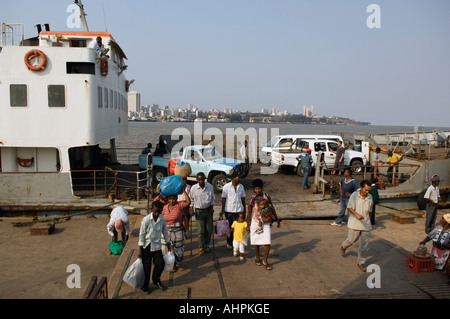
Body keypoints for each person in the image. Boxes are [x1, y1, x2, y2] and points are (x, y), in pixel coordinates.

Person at [246, 179, 281, 270]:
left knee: (267, 241)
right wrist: (247, 225)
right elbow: (249, 213)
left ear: (262, 188)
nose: (258, 191)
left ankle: (265, 260)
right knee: (256, 240)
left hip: (266, 221)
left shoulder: (267, 196)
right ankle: (257, 256)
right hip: (255, 222)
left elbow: (272, 207)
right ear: (253, 189)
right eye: (256, 189)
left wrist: (276, 219)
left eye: (259, 188)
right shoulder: (252, 199)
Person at [340, 180, 373, 272]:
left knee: (364, 245)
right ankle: (344, 246)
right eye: (365, 190)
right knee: (351, 240)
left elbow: (370, 211)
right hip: (355, 223)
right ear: (361, 188)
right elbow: (349, 207)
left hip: (366, 225)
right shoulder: (355, 195)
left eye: (368, 190)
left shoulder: (370, 197)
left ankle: (361, 262)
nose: (367, 192)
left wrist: (369, 221)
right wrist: (357, 214)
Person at [138, 201, 170, 293]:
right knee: (146, 267)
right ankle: (145, 286)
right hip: (146, 246)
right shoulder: (146, 220)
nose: (157, 214)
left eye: (158, 212)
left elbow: (165, 231)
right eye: (155, 211)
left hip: (156, 245)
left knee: (160, 264)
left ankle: (156, 280)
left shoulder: (162, 219)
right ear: (151, 210)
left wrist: (168, 242)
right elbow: (142, 234)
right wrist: (140, 249)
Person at [161, 187, 191, 272]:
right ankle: (170, 263)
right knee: (166, 248)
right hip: (166, 230)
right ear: (168, 200)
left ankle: (174, 263)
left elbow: (188, 202)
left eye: (174, 199)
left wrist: (183, 191)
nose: (172, 201)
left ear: (176, 199)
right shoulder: (165, 208)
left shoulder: (179, 205)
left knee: (177, 248)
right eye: (170, 199)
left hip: (177, 230)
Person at [189, 172, 215, 255]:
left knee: (209, 229)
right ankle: (201, 247)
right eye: (199, 180)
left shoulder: (209, 187)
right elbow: (191, 200)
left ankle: (206, 245)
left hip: (208, 211)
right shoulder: (194, 188)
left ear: (205, 179)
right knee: (201, 230)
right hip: (199, 211)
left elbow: (212, 198)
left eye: (202, 179)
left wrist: (211, 208)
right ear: (197, 180)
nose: (201, 181)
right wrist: (191, 209)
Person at [419, 214, 450, 280]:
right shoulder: (438, 228)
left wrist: (444, 246)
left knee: (443, 266)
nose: (441, 220)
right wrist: (424, 241)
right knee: (434, 263)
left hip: (445, 252)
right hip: (435, 249)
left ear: (447, 223)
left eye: (443, 219)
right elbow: (430, 235)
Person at [220, 175, 246, 250]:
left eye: (240, 178)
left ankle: (240, 242)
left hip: (239, 210)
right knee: (230, 228)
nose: (240, 179)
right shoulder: (226, 187)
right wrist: (222, 210)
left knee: (240, 228)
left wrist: (244, 208)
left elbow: (243, 198)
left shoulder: (241, 187)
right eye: (238, 177)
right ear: (233, 178)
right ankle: (229, 243)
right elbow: (223, 199)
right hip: (229, 210)